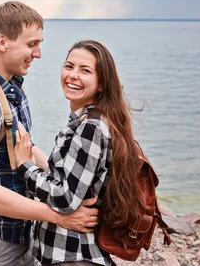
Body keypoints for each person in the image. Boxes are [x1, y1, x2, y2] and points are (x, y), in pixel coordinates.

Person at [0, 2, 99, 266]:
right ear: (2, 41)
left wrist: (63, 182)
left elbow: (24, 148)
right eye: (31, 44)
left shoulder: (9, 89)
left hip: (19, 233)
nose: (38, 53)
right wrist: (59, 216)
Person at [14, 39, 145, 265]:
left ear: (102, 83)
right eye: (69, 66)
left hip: (72, 255)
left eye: (85, 70)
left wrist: (25, 167)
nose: (73, 75)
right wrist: (32, 152)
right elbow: (70, 176)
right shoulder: (89, 121)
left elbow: (66, 198)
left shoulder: (91, 127)